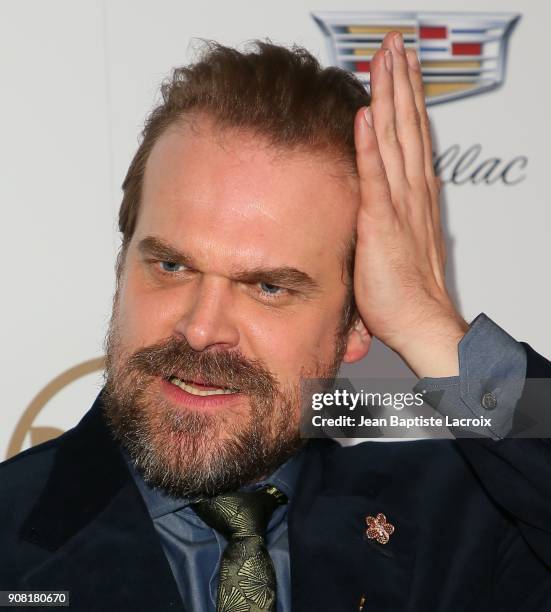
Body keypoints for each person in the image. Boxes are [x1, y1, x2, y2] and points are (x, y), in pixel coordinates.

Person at [1, 32, 550, 611]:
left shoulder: (466, 526)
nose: (201, 327)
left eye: (267, 287)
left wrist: (427, 324)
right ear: (122, 264)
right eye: (171, 264)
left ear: (357, 323)